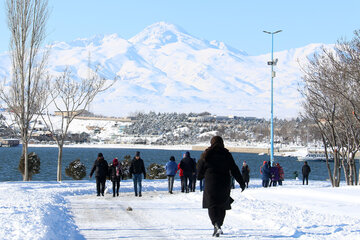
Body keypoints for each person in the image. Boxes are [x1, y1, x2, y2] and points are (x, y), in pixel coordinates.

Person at [197, 136, 245, 237]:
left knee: (212, 205)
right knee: (222, 205)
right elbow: (234, 169)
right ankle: (219, 224)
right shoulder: (226, 154)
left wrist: (200, 176)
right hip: (224, 183)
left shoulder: (206, 154)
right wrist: (241, 182)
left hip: (211, 183)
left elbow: (200, 168)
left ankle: (216, 224)